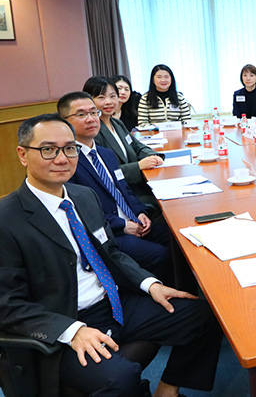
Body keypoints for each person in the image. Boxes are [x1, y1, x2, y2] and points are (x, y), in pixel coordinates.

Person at [0, 113, 221, 396]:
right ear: (23, 154)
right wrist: (71, 330)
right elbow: (7, 304)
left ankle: (167, 390)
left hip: (113, 303)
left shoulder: (82, 197)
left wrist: (150, 284)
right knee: (121, 378)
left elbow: (111, 254)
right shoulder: (8, 219)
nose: (61, 158)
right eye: (48, 149)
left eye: (69, 148)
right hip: (64, 322)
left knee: (204, 314)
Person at [58, 92, 172, 281]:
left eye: (94, 113)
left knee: (177, 237)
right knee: (160, 255)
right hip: (109, 233)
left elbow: (123, 189)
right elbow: (80, 211)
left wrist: (140, 213)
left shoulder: (105, 154)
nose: (91, 119)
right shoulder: (67, 162)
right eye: (81, 114)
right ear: (64, 122)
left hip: (133, 221)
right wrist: (122, 226)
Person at [84, 76, 163, 190]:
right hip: (121, 191)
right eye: (101, 97)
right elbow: (104, 172)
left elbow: (136, 146)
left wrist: (152, 156)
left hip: (137, 185)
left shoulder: (117, 123)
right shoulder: (92, 131)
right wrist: (138, 166)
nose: (109, 102)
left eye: (112, 96)